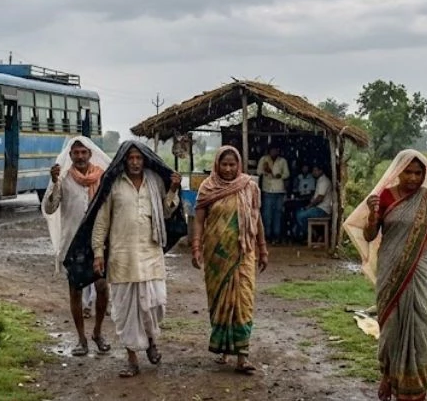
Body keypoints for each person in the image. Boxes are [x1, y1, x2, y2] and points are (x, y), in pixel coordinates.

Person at [344, 150, 427, 401]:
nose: (413, 178)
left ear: (425, 175)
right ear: (397, 171)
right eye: (409, 172)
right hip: (391, 267)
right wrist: (373, 215)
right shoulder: (385, 197)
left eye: (418, 173)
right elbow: (369, 235)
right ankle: (388, 376)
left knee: (421, 326)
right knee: (392, 326)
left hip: (420, 266)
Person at [88, 143, 182, 377]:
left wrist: (172, 189)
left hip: (151, 253)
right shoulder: (114, 184)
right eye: (130, 158)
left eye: (139, 157)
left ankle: (151, 341)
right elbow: (101, 221)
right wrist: (98, 252)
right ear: (124, 160)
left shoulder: (155, 181)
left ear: (145, 159)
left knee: (156, 304)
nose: (135, 162)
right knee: (126, 310)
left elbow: (167, 212)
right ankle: (132, 359)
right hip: (123, 257)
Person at [191, 146, 269, 373]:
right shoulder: (207, 187)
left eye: (232, 164)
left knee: (243, 302)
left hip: (244, 253)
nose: (228, 169)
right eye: (223, 164)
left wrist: (263, 248)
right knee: (221, 303)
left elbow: (257, 219)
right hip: (216, 256)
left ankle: (242, 356)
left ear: (239, 165)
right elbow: (198, 221)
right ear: (217, 164)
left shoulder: (249, 187)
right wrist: (196, 247)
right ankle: (224, 349)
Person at [43, 137, 111, 357]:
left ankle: (98, 332)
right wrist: (54, 183)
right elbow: (50, 208)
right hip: (73, 242)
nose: (80, 157)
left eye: (83, 152)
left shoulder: (102, 177)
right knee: (75, 291)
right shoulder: (62, 179)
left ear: (90, 154)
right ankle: (81, 339)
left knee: (102, 287)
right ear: (70, 156)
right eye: (76, 153)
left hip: (97, 242)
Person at [256, 145, 290, 243]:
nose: (274, 152)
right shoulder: (264, 159)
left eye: (276, 150)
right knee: (267, 215)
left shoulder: (282, 161)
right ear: (269, 151)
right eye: (272, 150)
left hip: (279, 190)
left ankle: (276, 235)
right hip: (267, 190)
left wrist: (281, 175)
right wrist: (265, 170)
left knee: (278, 214)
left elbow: (287, 174)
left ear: (278, 151)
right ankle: (267, 235)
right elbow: (258, 172)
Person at [294, 164, 333, 239]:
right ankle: (313, 233)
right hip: (319, 208)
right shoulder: (320, 180)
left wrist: (309, 206)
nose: (313, 172)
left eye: (315, 170)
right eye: (313, 171)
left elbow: (320, 198)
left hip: (322, 210)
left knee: (300, 215)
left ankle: (312, 234)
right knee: (299, 212)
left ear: (320, 171)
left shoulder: (324, 181)